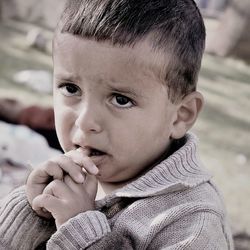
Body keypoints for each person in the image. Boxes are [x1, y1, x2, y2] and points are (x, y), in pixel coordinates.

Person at [0, 0, 233, 249]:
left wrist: (80, 230)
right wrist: (34, 210)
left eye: (121, 100)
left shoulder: (193, 223)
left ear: (180, 116)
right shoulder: (75, 175)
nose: (85, 121)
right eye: (71, 88)